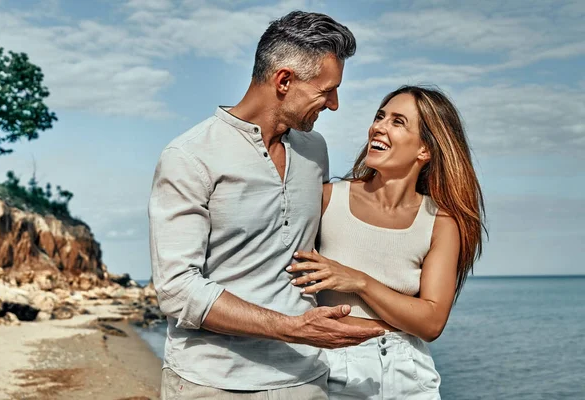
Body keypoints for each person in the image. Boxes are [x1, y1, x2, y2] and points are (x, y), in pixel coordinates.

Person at [148, 11, 385, 400]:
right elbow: (177, 289)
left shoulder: (314, 150)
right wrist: (292, 327)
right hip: (212, 383)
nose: (335, 104)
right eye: (327, 90)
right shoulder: (189, 156)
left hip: (306, 379)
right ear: (284, 80)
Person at [288, 85, 487, 399]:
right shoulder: (328, 199)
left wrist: (359, 281)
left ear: (425, 150)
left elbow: (432, 322)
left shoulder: (440, 222)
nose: (378, 127)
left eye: (398, 122)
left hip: (409, 372)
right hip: (334, 367)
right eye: (380, 117)